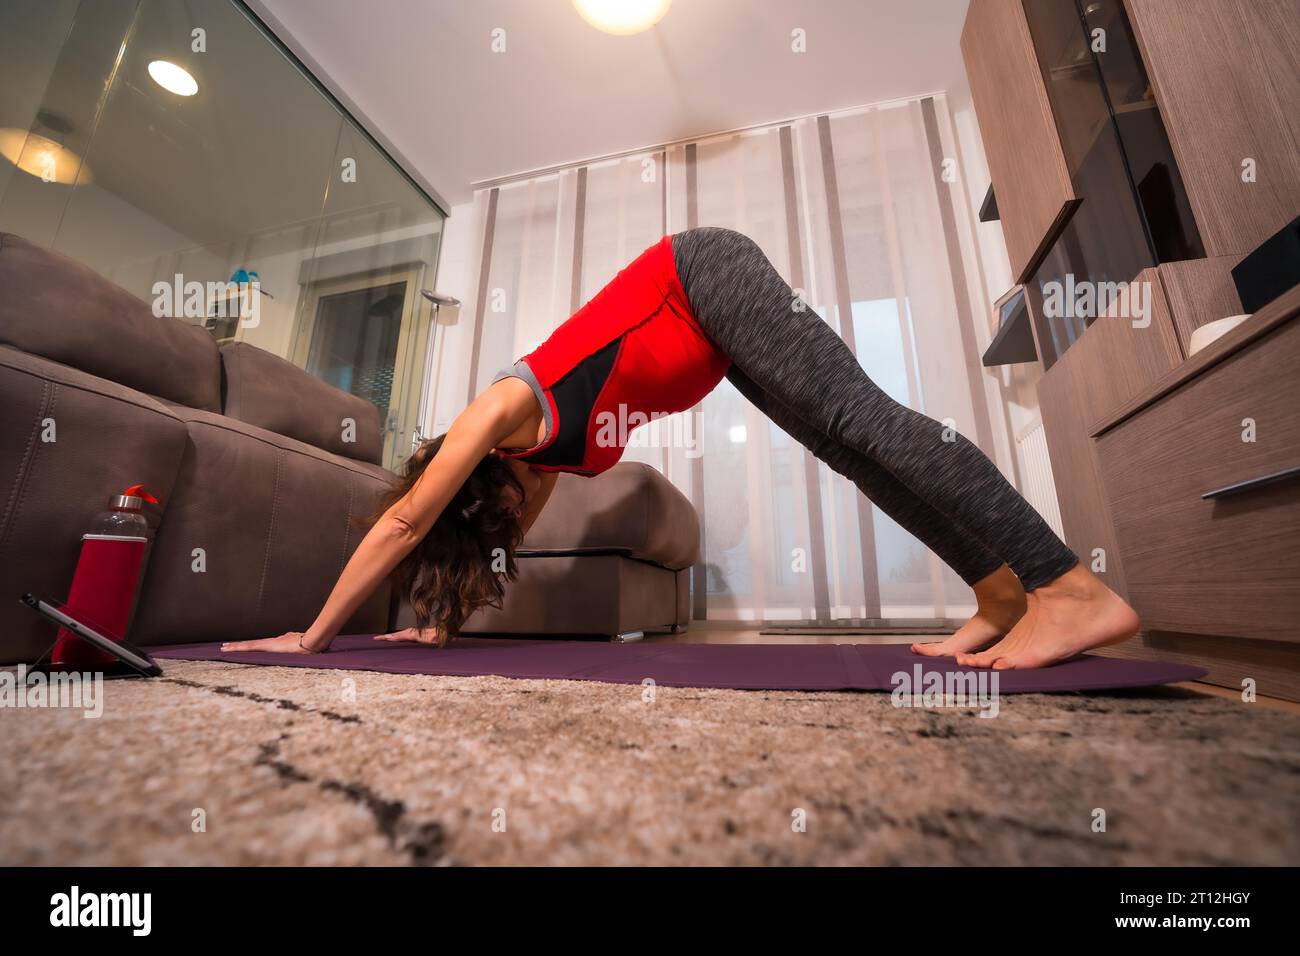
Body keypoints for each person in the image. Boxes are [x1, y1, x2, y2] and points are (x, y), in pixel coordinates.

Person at [222, 227, 1138, 669]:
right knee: (847, 450)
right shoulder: (534, 474)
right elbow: (489, 545)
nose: (517, 522)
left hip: (701, 280)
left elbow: (407, 521)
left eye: (494, 511)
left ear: (476, 475)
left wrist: (313, 637)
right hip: (710, 347)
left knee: (862, 418)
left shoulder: (501, 408)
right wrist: (441, 623)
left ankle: (1067, 584)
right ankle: (998, 590)